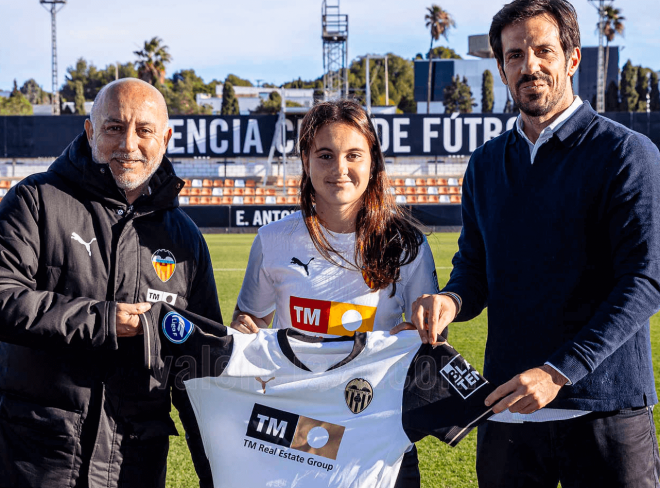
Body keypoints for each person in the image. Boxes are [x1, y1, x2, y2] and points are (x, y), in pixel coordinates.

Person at [406, 0, 660, 486]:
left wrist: (557, 371)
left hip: (608, 412)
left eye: (543, 50)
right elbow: (474, 270)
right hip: (508, 414)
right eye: (515, 54)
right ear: (502, 68)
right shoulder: (484, 164)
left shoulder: (627, 153)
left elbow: (645, 281)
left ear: (572, 58)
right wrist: (450, 300)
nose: (530, 65)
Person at [0, 78, 222, 488]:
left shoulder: (185, 238)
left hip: (134, 465)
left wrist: (217, 470)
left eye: (144, 130)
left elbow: (200, 368)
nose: (129, 144)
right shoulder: (35, 201)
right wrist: (103, 321)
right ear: (89, 131)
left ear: (167, 138)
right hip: (36, 460)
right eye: (114, 127)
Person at [230, 99, 441, 487]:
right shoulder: (272, 240)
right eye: (325, 155)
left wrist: (420, 332)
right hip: (296, 433)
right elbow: (250, 322)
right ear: (305, 162)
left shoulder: (407, 244)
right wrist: (245, 329)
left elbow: (432, 339)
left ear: (373, 162)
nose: (339, 169)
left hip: (376, 431)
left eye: (353, 155)